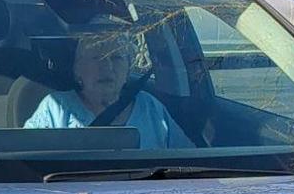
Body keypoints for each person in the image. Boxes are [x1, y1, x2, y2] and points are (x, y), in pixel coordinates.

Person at [25, 27, 184, 146]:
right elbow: (28, 163)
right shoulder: (55, 109)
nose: (107, 67)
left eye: (116, 58)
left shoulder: (150, 108)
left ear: (128, 69)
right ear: (78, 69)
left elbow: (186, 160)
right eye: (97, 58)